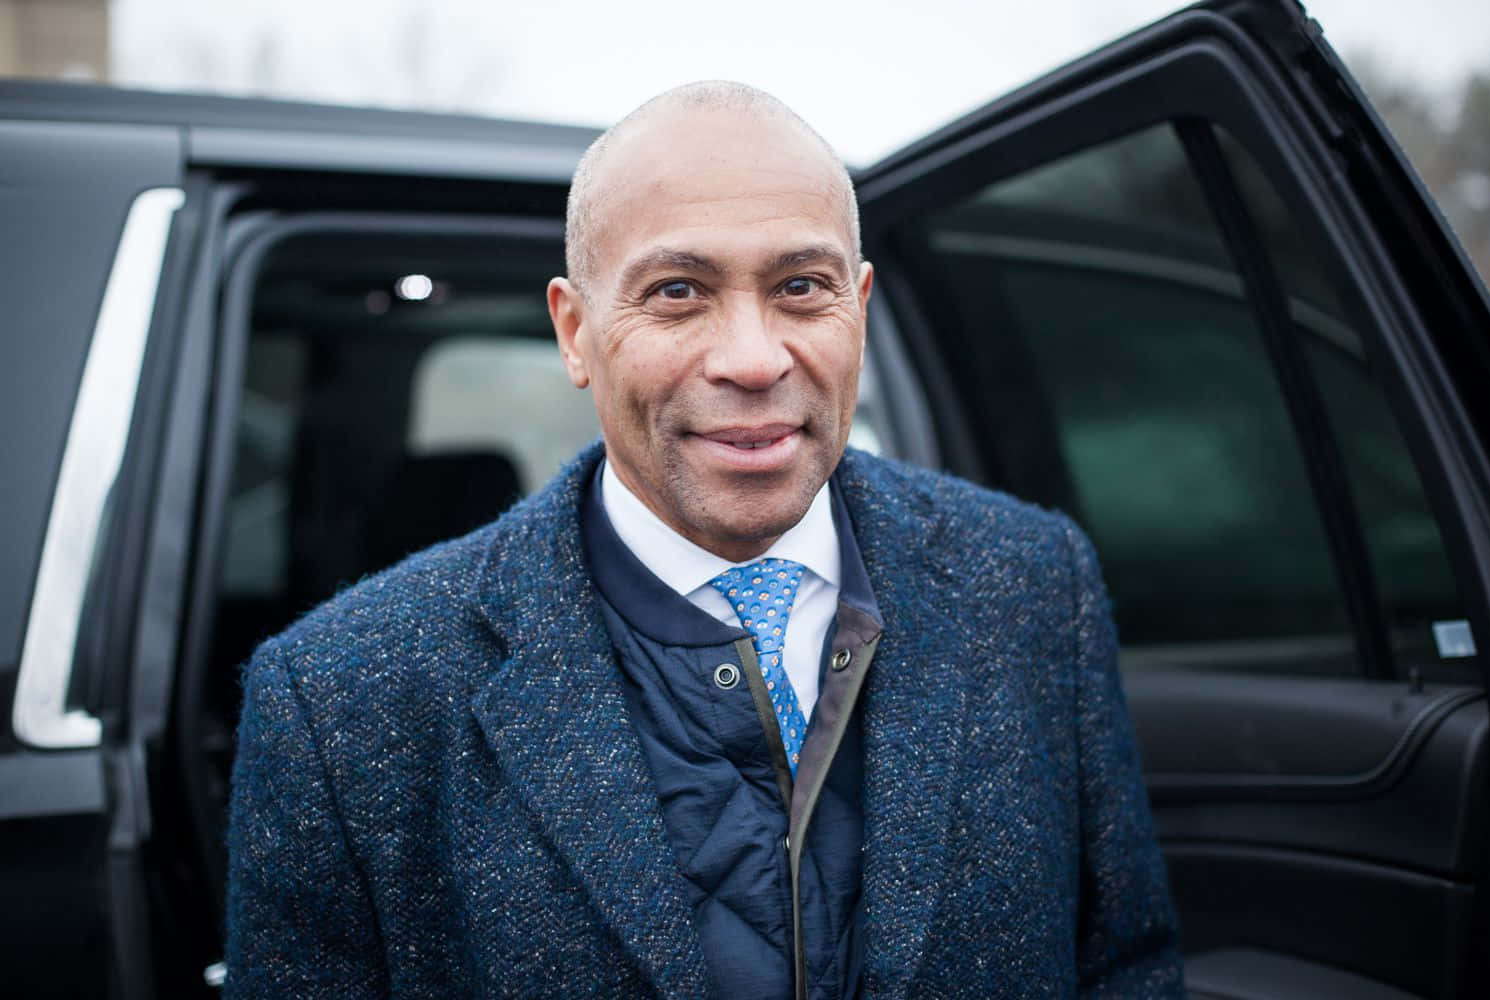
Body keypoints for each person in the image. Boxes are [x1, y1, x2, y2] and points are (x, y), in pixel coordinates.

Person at [224, 81, 1182, 999]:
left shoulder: (1031, 580)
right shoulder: (344, 698)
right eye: (679, 292)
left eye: (802, 287)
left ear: (861, 306)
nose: (752, 358)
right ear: (574, 331)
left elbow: (1124, 967)